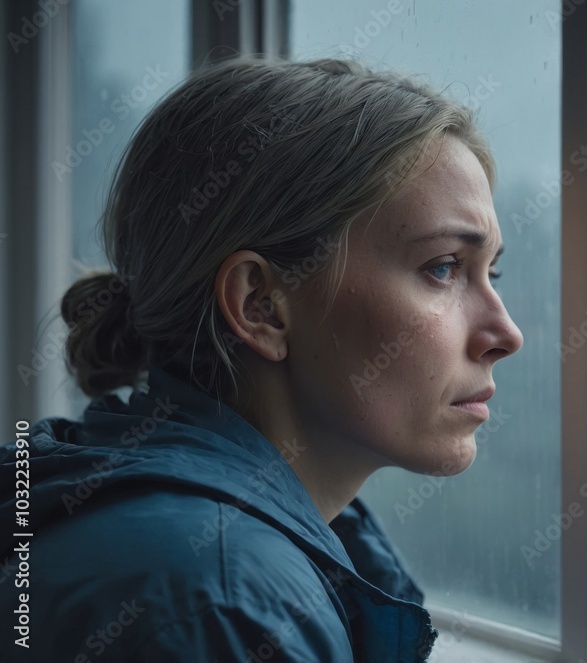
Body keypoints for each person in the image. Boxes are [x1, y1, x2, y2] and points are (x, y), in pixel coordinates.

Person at [0, 57, 522, 661]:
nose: (506, 333)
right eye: (443, 268)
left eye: (493, 271)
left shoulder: (194, 545)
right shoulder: (221, 604)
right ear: (261, 306)